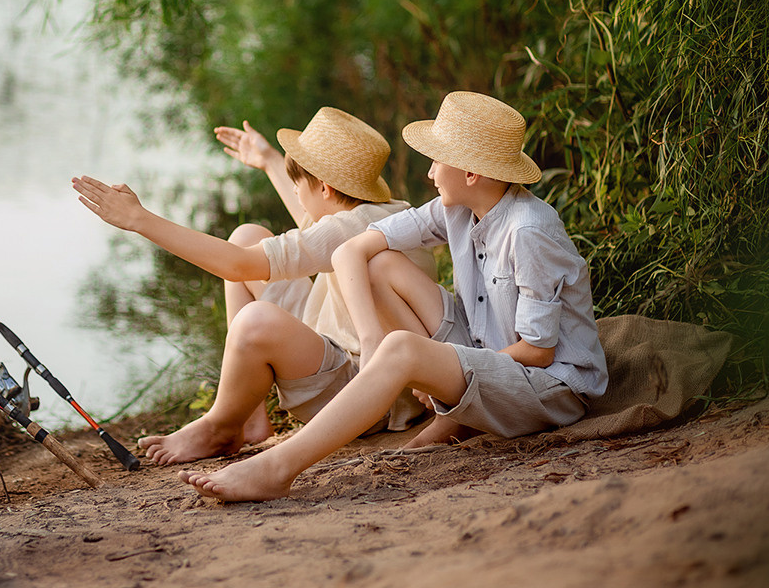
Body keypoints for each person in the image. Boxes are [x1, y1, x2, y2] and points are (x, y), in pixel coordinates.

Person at [179, 91, 609, 501]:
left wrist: (438, 369)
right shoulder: (456, 209)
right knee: (379, 262)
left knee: (404, 349)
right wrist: (372, 345)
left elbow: (538, 352)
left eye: (436, 160)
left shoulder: (528, 231)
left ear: (471, 173)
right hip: (482, 345)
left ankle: (276, 469)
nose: (428, 172)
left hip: (547, 386)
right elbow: (352, 248)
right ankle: (449, 412)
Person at [72, 107, 436, 465]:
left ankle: (221, 426)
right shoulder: (383, 212)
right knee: (248, 234)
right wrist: (269, 161)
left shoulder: (349, 229)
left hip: (367, 394)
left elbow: (236, 265)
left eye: (298, 186)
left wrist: (140, 219)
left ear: (324, 187)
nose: (295, 194)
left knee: (255, 317)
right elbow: (313, 228)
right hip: (342, 351)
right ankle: (250, 416)